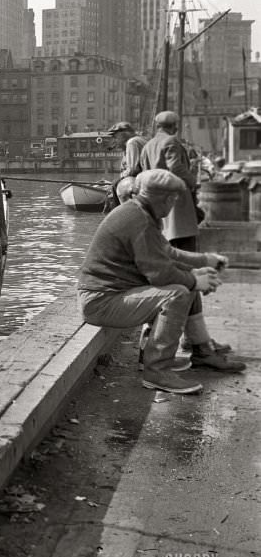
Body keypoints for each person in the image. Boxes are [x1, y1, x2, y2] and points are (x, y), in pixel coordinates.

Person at [77, 169, 245, 394]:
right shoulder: (138, 220)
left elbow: (167, 254)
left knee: (186, 283)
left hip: (110, 295)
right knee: (178, 293)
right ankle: (157, 371)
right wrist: (195, 280)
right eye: (174, 198)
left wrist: (203, 263)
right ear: (165, 198)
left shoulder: (139, 213)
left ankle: (200, 352)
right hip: (101, 301)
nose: (174, 203)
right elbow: (161, 274)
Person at [141, 110, 232, 357]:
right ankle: (197, 342)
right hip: (179, 216)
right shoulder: (171, 143)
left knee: (179, 276)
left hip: (162, 217)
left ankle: (195, 339)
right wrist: (194, 181)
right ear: (175, 126)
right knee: (191, 275)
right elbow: (177, 170)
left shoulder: (148, 145)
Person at [107, 120, 147, 203]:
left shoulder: (132, 142)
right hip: (144, 179)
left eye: (115, 137)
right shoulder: (137, 141)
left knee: (115, 185)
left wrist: (120, 179)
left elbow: (133, 169)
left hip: (140, 182)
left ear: (124, 133)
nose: (114, 140)